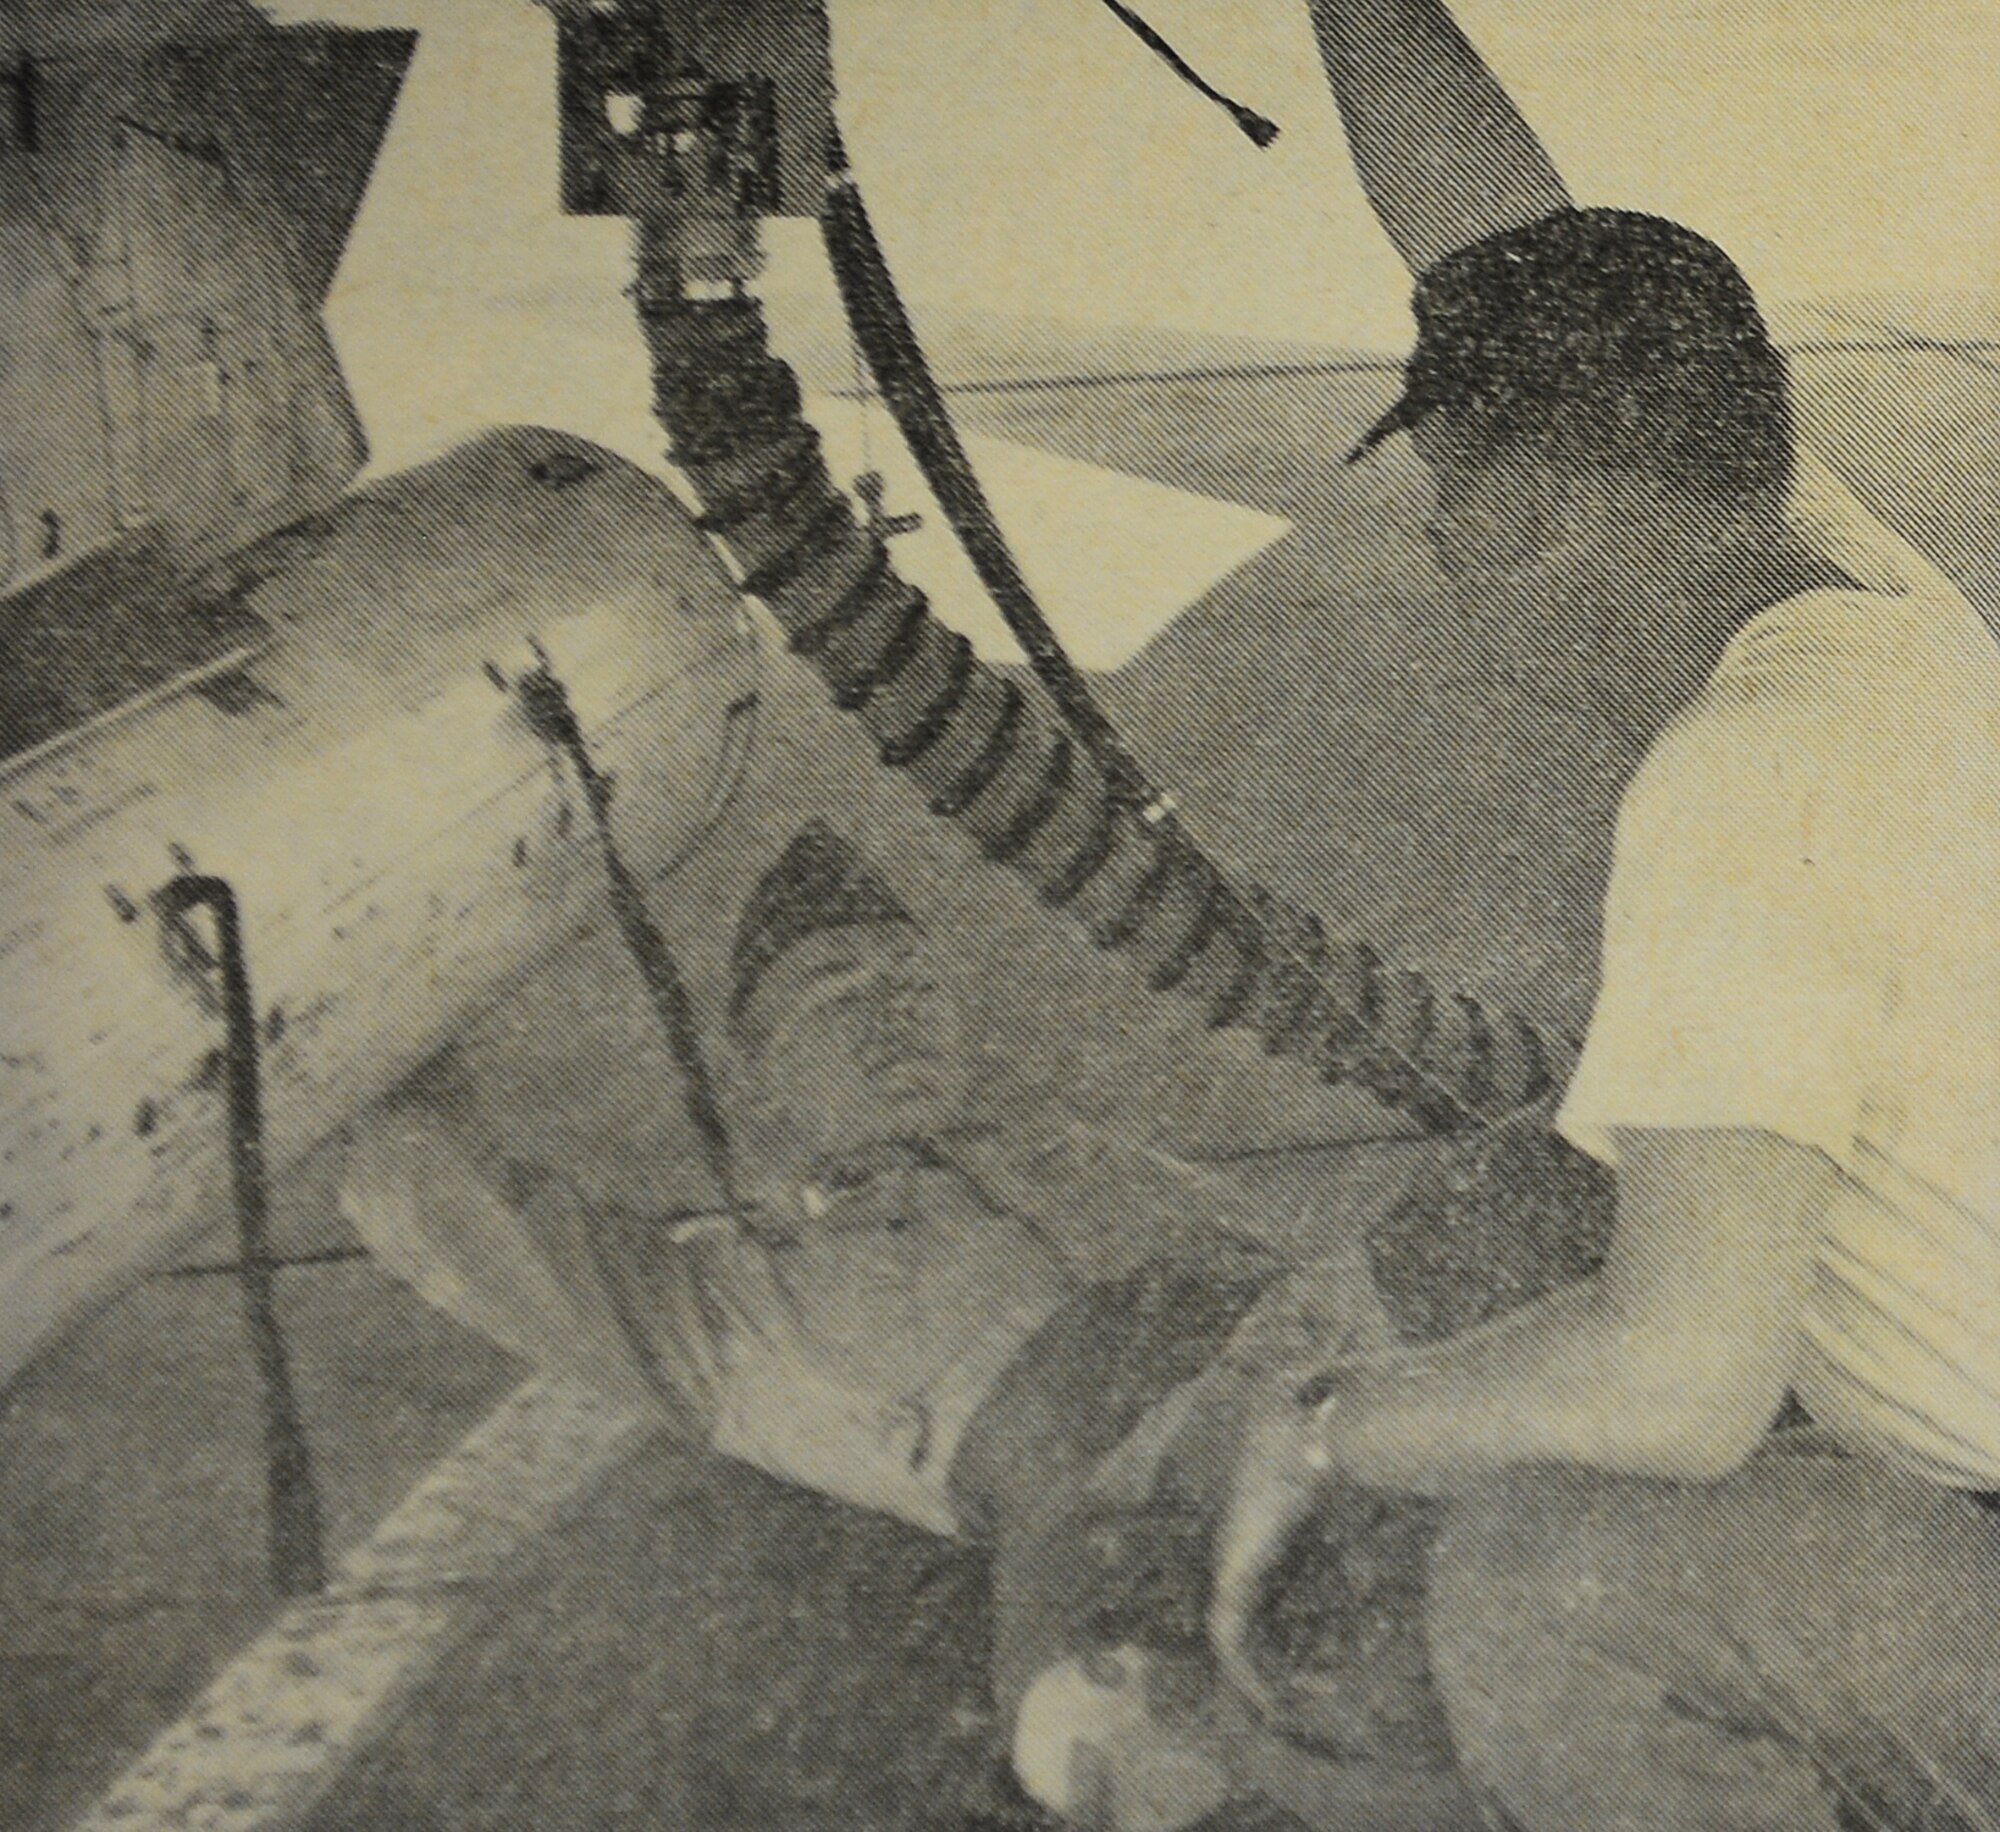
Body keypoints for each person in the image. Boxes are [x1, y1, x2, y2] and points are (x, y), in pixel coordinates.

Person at [1209, 4, 2000, 1828]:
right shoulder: (1878, 609)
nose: (1434, 549)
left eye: (1447, 496)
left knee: (1550, 1574)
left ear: (1537, 511)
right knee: (1561, 1201)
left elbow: (1683, 1384)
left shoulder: (1739, 783)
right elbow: (1506, 242)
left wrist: (1327, 1423)